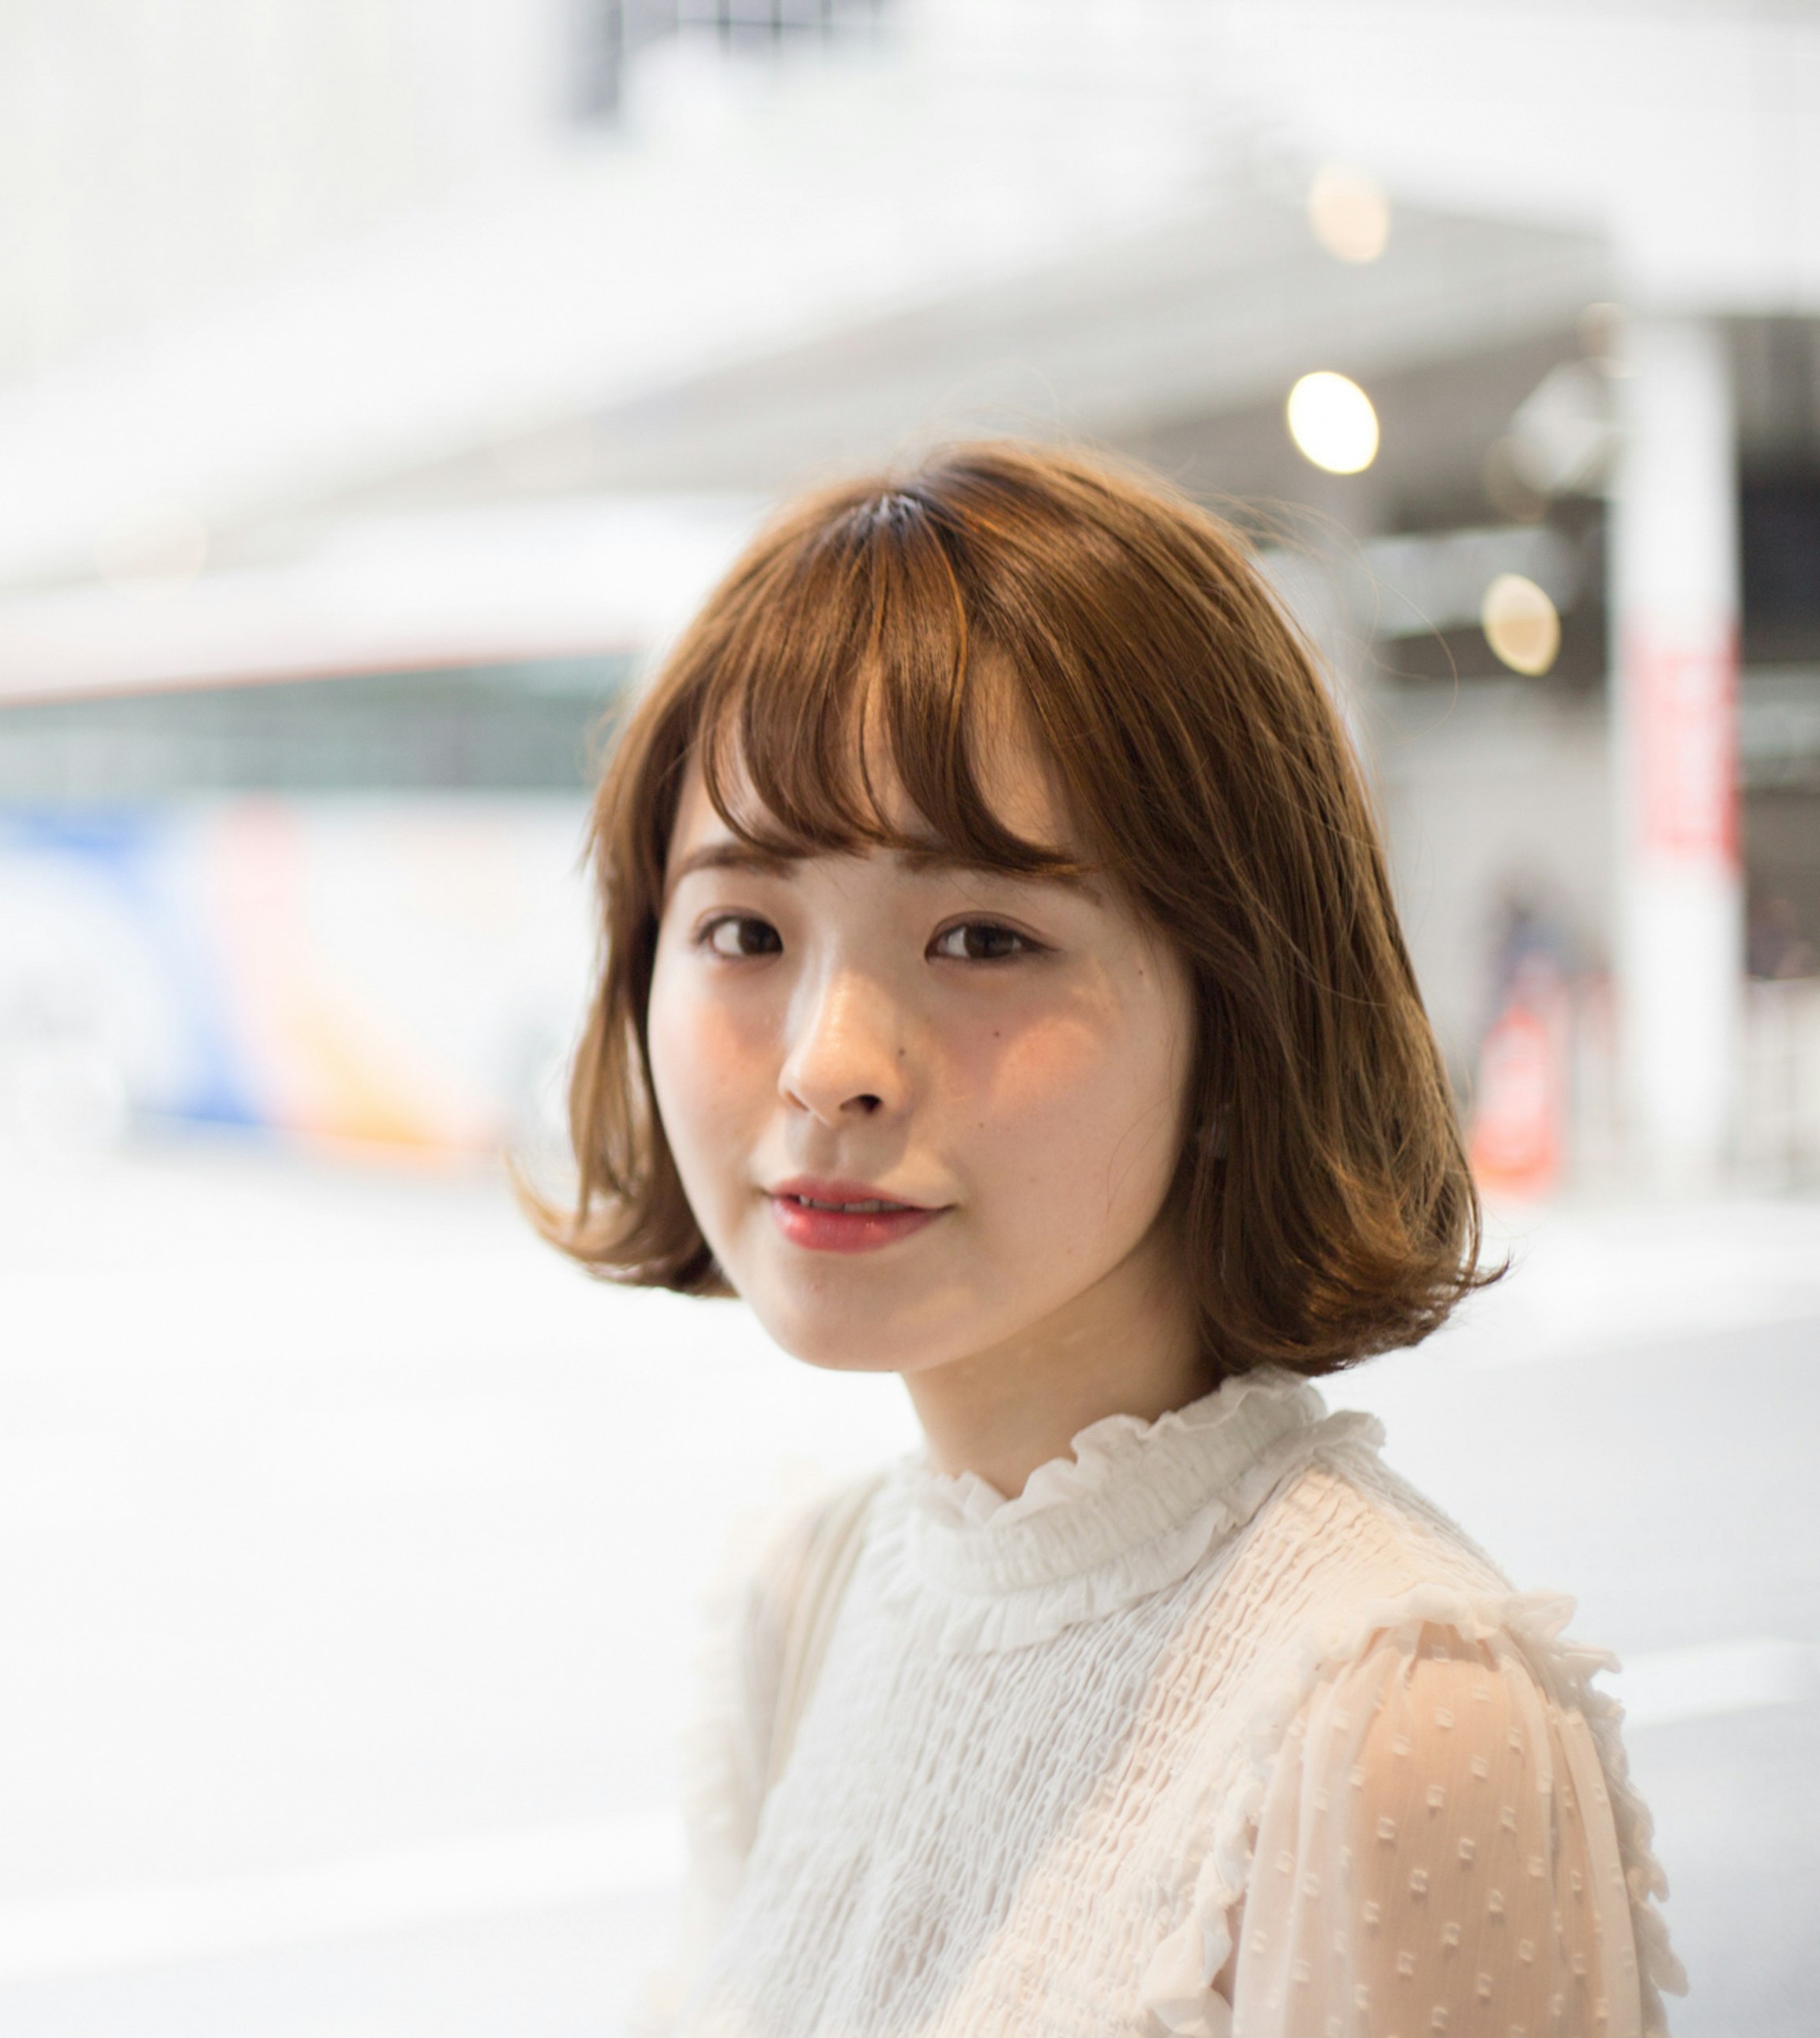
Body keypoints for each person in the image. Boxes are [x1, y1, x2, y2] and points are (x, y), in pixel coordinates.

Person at [531, 445, 1681, 2036]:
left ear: (1241, 1011)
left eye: (985, 936)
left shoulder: (1396, 1715)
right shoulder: (808, 1594)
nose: (826, 1060)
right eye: (744, 928)